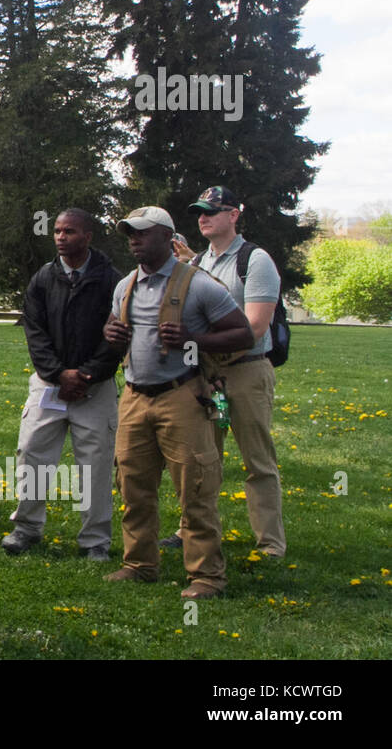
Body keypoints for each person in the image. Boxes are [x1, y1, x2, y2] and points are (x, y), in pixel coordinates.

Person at [102, 206, 253, 600]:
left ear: (168, 238)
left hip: (183, 395)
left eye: (142, 233)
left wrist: (194, 339)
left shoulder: (200, 285)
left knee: (196, 490)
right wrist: (111, 332)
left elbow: (243, 334)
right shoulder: (125, 286)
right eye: (129, 234)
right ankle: (139, 564)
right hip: (135, 396)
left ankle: (207, 577)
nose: (134, 239)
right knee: (133, 487)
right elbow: (112, 326)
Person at [159, 187, 286, 557]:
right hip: (207, 375)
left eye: (213, 211)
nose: (204, 217)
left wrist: (198, 341)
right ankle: (191, 532)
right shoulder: (198, 263)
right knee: (202, 457)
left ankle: (270, 545)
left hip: (246, 373)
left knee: (257, 460)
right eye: (200, 211)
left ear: (234, 215)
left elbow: (255, 328)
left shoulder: (255, 260)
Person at [2, 208, 122, 561]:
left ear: (87, 237)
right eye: (56, 230)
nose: (59, 237)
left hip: (94, 389)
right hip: (49, 385)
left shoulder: (112, 280)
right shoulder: (43, 278)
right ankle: (26, 528)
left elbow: (117, 335)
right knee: (33, 454)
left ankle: (95, 541)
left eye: (69, 231)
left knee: (95, 464)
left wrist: (87, 375)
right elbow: (34, 331)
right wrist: (58, 374)